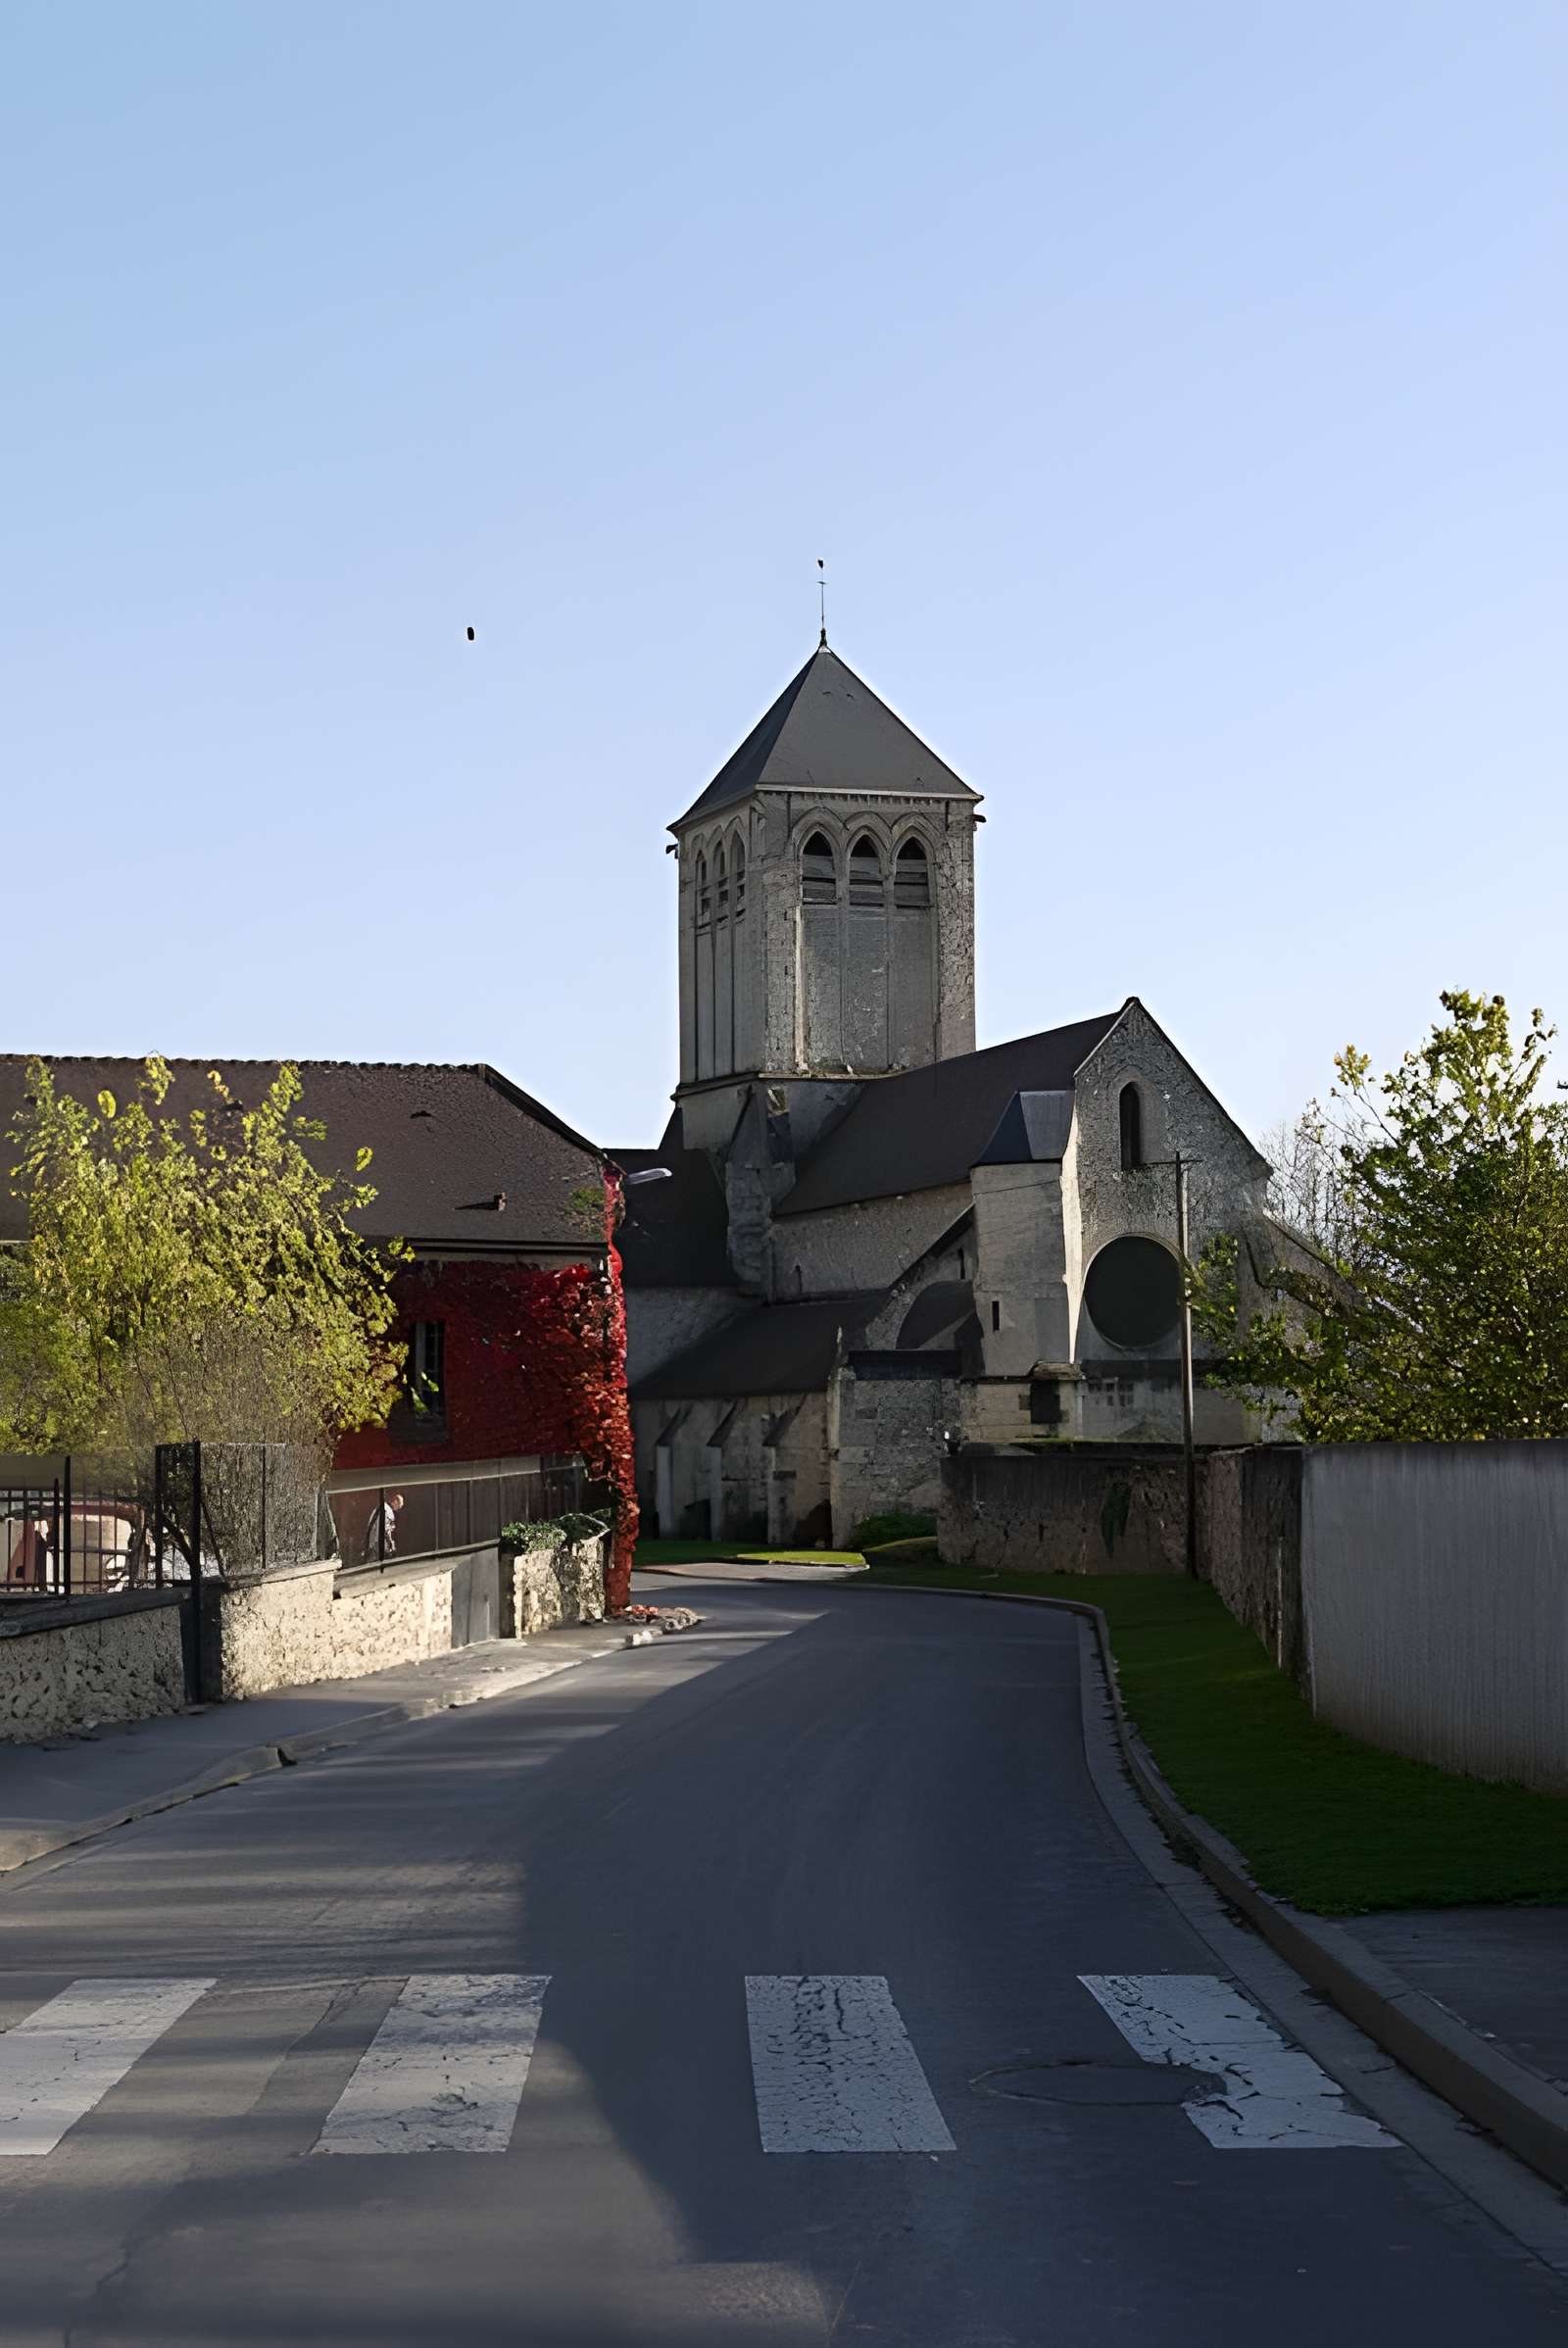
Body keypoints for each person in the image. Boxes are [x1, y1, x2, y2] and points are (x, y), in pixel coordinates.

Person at [363, 1491, 405, 1562]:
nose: (398, 1509)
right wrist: (391, 1545)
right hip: (379, 1543)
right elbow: (385, 1529)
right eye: (399, 1506)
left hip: (373, 1542)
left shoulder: (381, 1507)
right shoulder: (388, 1511)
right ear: (395, 1501)